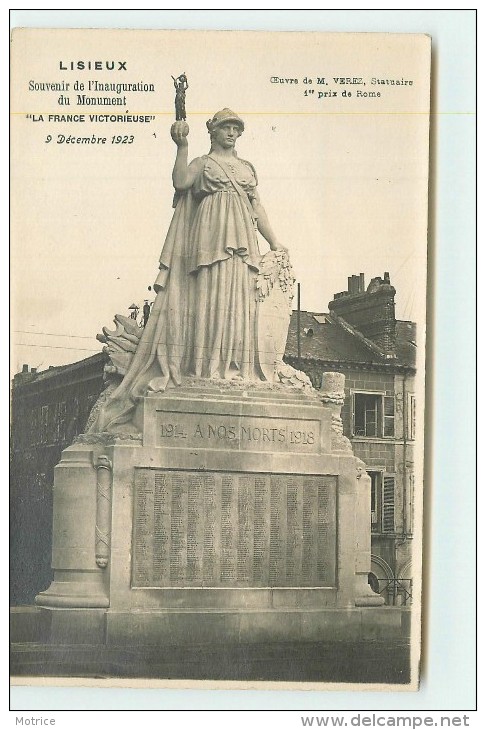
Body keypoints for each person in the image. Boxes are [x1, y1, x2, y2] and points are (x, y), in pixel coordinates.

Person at [89, 109, 286, 433]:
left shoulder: (248, 169)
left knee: (237, 304)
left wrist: (275, 241)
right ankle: (207, 368)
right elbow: (180, 181)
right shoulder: (203, 164)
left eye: (236, 128)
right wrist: (180, 146)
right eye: (226, 127)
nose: (232, 133)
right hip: (209, 241)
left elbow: (257, 207)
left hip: (242, 242)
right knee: (210, 303)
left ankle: (235, 370)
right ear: (213, 131)